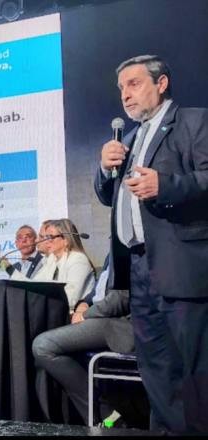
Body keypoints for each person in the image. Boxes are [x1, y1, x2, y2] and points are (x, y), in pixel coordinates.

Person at [94, 54, 208, 434]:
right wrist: (104, 169)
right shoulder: (127, 140)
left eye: (134, 83)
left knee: (196, 372)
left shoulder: (194, 122)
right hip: (140, 269)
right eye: (121, 88)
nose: (125, 95)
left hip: (183, 265)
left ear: (161, 84)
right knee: (157, 370)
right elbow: (110, 197)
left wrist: (167, 185)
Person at [32, 281, 134, 425]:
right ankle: (96, 418)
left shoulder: (127, 265)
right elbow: (97, 291)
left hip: (120, 324)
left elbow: (122, 296)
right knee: (48, 330)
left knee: (43, 346)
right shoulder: (108, 265)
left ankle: (104, 415)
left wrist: (85, 315)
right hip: (100, 316)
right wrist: (84, 304)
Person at [14, 219, 95, 310]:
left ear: (66, 240)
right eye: (46, 237)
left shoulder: (78, 260)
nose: (46, 241)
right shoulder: (52, 260)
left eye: (51, 237)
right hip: (55, 311)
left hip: (74, 315)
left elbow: (70, 299)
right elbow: (33, 285)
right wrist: (8, 268)